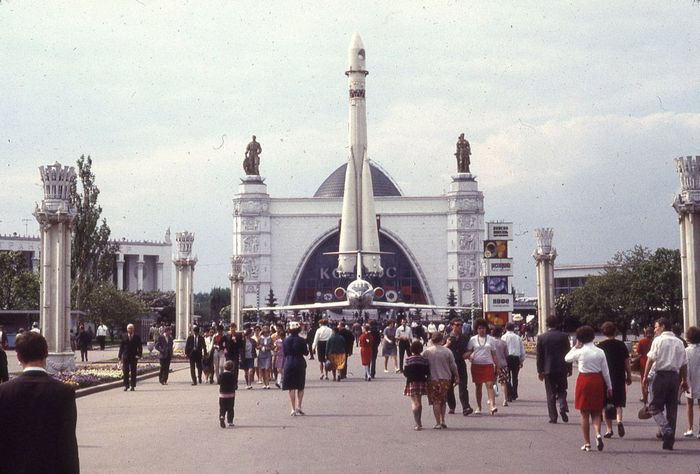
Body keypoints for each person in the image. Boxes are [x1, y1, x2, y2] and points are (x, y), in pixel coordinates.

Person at [0, 332, 79, 473]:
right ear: (46, 354)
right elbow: (68, 445)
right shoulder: (64, 392)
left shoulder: (4, 391)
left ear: (18, 357)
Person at [642, 317, 689, 450]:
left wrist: (645, 376)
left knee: (654, 407)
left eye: (656, 327)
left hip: (660, 375)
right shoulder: (679, 342)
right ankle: (670, 440)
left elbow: (650, 359)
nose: (655, 329)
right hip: (674, 376)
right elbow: (684, 364)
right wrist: (684, 380)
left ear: (662, 326)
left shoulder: (658, 340)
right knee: (672, 409)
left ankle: (665, 429)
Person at [565, 325, 613, 452]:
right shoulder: (600, 352)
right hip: (597, 380)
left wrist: (575, 346)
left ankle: (587, 443)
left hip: (584, 380)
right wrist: (609, 386)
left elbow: (567, 358)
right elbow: (606, 371)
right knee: (597, 412)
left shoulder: (580, 351)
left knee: (584, 413)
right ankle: (597, 433)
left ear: (580, 338)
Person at [597, 321, 632, 439]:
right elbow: (626, 362)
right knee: (618, 403)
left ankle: (608, 429)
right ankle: (619, 421)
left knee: (605, 404)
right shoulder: (621, 345)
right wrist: (629, 375)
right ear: (615, 331)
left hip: (605, 378)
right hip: (619, 376)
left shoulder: (600, 346)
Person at [536, 316, 572, 424]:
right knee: (562, 389)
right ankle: (562, 405)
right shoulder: (564, 336)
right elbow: (568, 353)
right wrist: (569, 368)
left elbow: (539, 356)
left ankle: (553, 417)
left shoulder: (542, 337)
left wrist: (540, 371)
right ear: (557, 324)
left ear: (547, 324)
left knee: (550, 393)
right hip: (562, 368)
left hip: (548, 369)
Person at [422, 332, 459, 429]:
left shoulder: (427, 352)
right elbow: (453, 365)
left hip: (433, 379)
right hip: (446, 379)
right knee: (443, 400)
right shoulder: (447, 351)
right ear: (442, 340)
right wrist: (457, 376)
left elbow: (421, 363)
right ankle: (443, 420)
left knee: (436, 401)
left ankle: (437, 422)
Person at [466, 319, 499, 415]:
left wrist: (497, 366)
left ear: (486, 329)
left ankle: (492, 405)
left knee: (489, 385)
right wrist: (470, 357)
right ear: (476, 329)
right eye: (480, 328)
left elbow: (494, 355)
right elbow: (469, 352)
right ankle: (479, 407)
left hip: (488, 365)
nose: (482, 330)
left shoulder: (491, 339)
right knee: (478, 387)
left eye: (483, 328)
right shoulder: (472, 340)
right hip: (476, 365)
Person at [444, 318, 474, 416]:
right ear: (452, 325)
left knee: (463, 386)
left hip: (460, 363)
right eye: (457, 325)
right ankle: (452, 406)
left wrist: (469, 354)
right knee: (449, 387)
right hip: (449, 365)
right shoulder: (447, 337)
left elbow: (469, 349)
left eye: (461, 325)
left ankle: (466, 407)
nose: (459, 327)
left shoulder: (465, 337)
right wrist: (447, 344)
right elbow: (440, 349)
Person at [283, 321, 309, 416]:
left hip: (289, 362)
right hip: (299, 362)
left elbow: (285, 353)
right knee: (300, 386)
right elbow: (306, 353)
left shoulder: (285, 340)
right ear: (298, 329)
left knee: (291, 387)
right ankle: (299, 406)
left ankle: (292, 408)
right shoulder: (302, 340)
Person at [403, 340, 430, 430]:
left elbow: (405, 373)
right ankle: (419, 421)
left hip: (411, 382)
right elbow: (427, 372)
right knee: (419, 401)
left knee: (414, 402)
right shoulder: (424, 360)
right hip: (421, 381)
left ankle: (417, 423)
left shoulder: (408, 360)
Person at [502, 322, 526, 401]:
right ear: (513, 328)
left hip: (507, 358)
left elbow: (502, 349)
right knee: (515, 377)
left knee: (507, 377)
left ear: (506, 328)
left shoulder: (504, 337)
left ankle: (509, 393)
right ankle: (515, 393)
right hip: (516, 358)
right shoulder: (517, 337)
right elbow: (522, 349)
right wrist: (521, 360)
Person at [683, 325, 700, 438]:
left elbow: (684, 366)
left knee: (689, 403)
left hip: (690, 378)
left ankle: (690, 428)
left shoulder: (686, 351)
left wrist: (683, 380)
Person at [118, 323, 142, 391]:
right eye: (129, 328)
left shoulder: (137, 337)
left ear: (133, 329)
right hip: (126, 356)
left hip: (134, 356)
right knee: (125, 371)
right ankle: (126, 385)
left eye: (131, 328)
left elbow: (140, 347)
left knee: (133, 371)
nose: (130, 329)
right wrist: (119, 356)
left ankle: (132, 386)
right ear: (127, 329)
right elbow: (121, 347)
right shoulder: (124, 336)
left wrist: (139, 355)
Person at [491, 326, 510, 407]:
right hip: (502, 364)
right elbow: (507, 354)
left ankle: (492, 399)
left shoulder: (491, 343)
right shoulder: (503, 343)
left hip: (492, 364)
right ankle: (505, 399)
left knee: (492, 382)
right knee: (503, 382)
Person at [636, 326, 654, 403]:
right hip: (653, 362)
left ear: (645, 333)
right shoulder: (655, 341)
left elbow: (638, 352)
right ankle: (652, 396)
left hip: (643, 362)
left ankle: (645, 397)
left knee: (643, 380)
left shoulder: (642, 341)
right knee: (653, 380)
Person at [218, 360, 238, 428]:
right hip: (231, 395)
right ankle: (230, 421)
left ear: (224, 367)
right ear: (232, 368)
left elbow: (218, 382)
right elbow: (235, 383)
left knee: (222, 407)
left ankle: (222, 416)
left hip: (222, 394)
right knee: (230, 408)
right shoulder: (233, 375)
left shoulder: (221, 375)